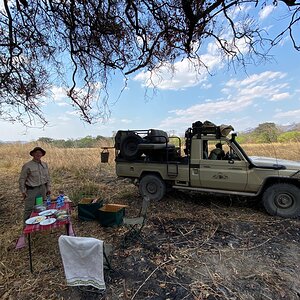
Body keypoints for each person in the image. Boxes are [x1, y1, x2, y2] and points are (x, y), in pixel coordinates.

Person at [19, 147, 51, 222]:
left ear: (42, 155)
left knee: (42, 207)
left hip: (43, 189)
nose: (38, 154)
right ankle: (26, 230)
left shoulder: (45, 164)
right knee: (29, 209)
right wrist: (23, 191)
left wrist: (48, 188)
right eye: (36, 153)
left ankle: (40, 223)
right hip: (32, 190)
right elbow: (22, 179)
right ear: (33, 154)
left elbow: (48, 177)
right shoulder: (27, 165)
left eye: (40, 153)